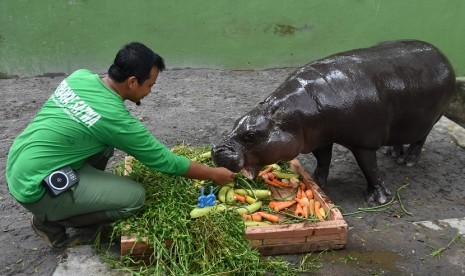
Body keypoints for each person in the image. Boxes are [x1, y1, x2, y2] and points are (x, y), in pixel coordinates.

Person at [5, 42, 236, 249]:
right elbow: (165, 161)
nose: (151, 91)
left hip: (19, 162)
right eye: (150, 85)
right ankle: (51, 221)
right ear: (132, 82)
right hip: (35, 188)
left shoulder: (80, 77)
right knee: (135, 198)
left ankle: (72, 202)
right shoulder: (116, 120)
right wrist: (214, 174)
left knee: (103, 146)